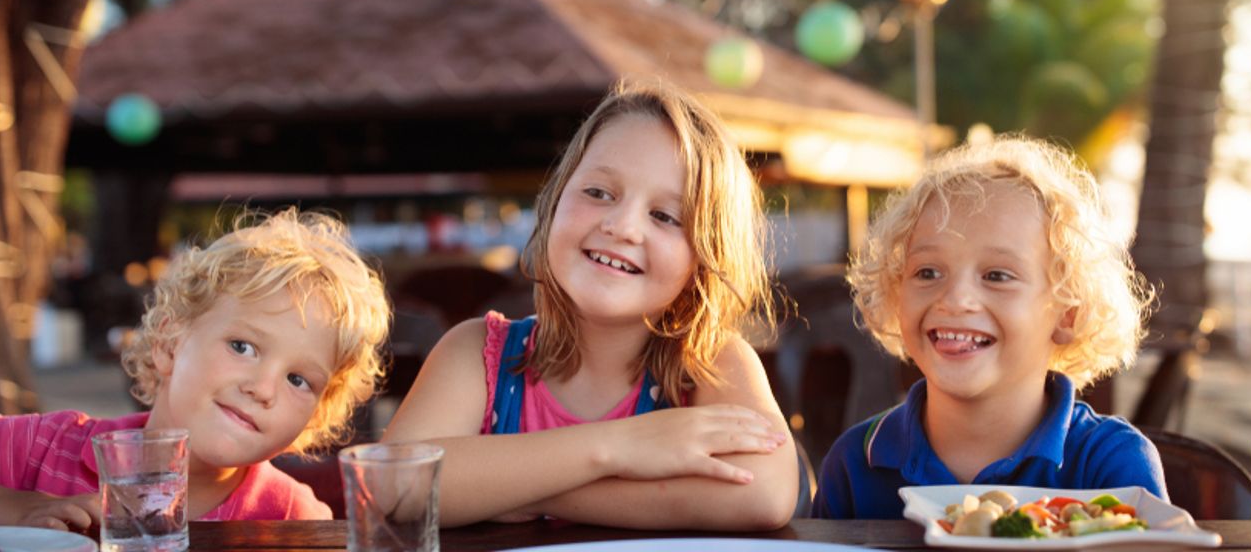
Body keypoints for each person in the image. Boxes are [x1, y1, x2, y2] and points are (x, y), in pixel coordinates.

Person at [384, 82, 797, 531]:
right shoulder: (477, 352)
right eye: (599, 193)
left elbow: (765, 493)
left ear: (705, 257)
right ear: (554, 200)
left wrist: (524, 489)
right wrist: (619, 446)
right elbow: (395, 484)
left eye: (664, 216)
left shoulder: (708, 365)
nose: (622, 227)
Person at [0, 208, 391, 530]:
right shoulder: (50, 451)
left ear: (315, 415)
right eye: (242, 346)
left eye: (298, 380)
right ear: (170, 343)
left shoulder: (291, 519)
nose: (263, 388)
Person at [812, 136, 1166, 519]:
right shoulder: (854, 462)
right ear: (897, 296)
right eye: (928, 272)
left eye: (997, 275)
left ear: (1068, 314)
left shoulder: (1111, 462)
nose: (955, 299)